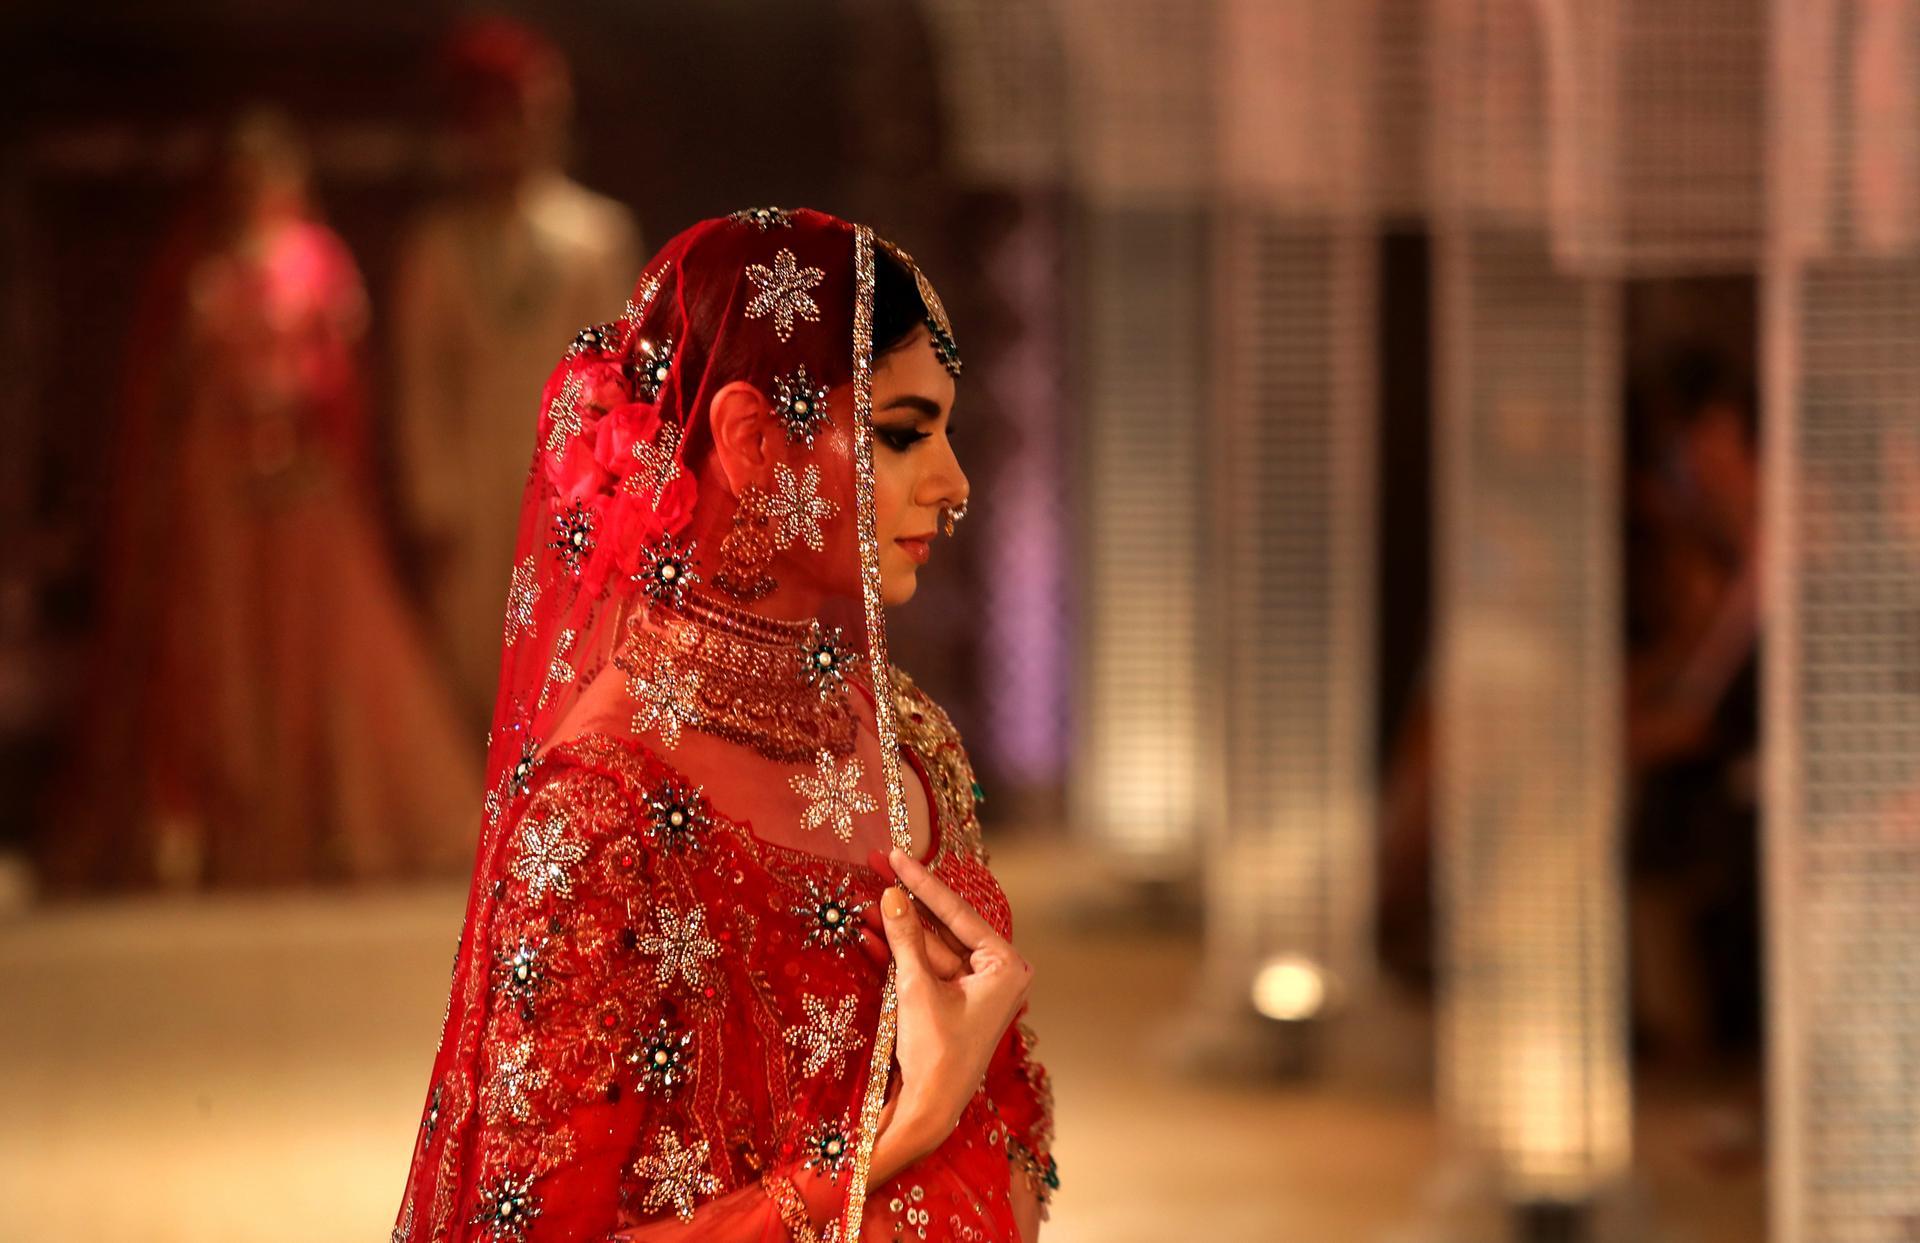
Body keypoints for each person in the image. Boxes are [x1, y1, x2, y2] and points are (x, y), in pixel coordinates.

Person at [391, 210, 1056, 1242]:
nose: (953, 485)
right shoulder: (601, 813)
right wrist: (900, 1134)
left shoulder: (913, 744)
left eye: (948, 434)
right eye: (901, 432)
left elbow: (1005, 1132)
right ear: (750, 439)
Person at [43, 109, 478, 889]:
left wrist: (303, 425)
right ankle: (224, 828)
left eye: (263, 171)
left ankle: (330, 823)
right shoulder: (201, 268)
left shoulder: (316, 260)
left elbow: (341, 376)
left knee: (319, 648)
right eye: (237, 174)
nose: (250, 187)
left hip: (301, 479)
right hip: (217, 486)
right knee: (224, 652)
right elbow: (171, 385)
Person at [392, 18, 641, 726]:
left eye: (525, 114)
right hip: (475, 481)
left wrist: (616, 483)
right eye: (493, 118)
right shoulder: (437, 247)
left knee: (572, 650)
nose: (511, 134)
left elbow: (619, 374)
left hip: (572, 478)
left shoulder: (596, 236)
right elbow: (422, 382)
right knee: (473, 653)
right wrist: (432, 493)